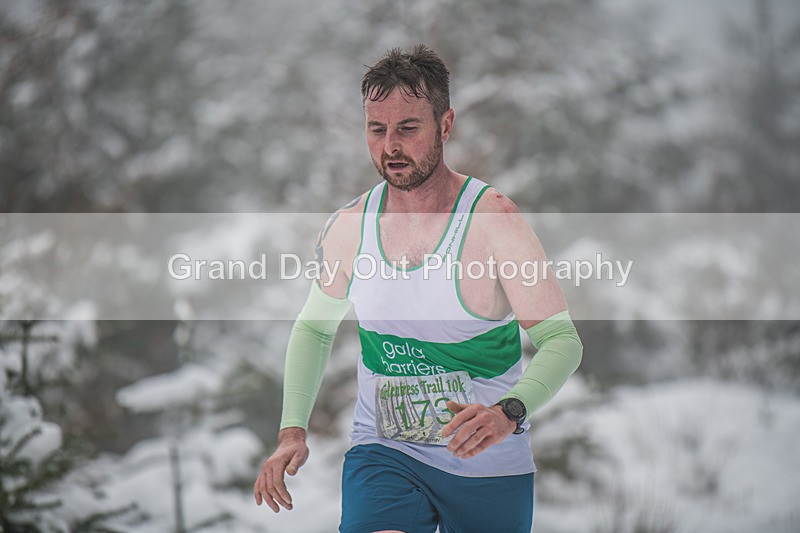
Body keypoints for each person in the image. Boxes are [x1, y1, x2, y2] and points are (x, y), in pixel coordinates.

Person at [254, 44, 583, 533]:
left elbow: (562, 341)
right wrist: (291, 431)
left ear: (445, 126)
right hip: (386, 451)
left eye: (407, 128)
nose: (390, 146)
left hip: (486, 463)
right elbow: (315, 330)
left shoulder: (493, 221)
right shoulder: (349, 227)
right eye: (376, 129)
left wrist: (507, 412)